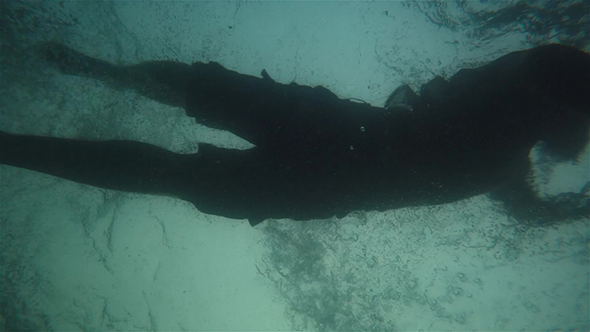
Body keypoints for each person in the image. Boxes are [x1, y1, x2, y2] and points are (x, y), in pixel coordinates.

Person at [0, 43, 588, 226]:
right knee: (183, 153)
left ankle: (27, 136)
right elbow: (544, 94)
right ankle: (29, 133)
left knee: (197, 112)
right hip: (337, 168)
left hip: (340, 146)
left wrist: (572, 208)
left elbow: (526, 202)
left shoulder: (504, 158)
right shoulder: (533, 96)